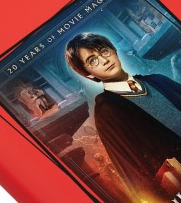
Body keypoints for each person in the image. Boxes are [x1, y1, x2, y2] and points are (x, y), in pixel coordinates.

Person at [65, 32, 181, 201]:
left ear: (113, 51)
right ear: (88, 74)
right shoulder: (107, 111)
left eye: (104, 51)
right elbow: (133, 174)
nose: (104, 60)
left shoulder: (158, 80)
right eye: (93, 60)